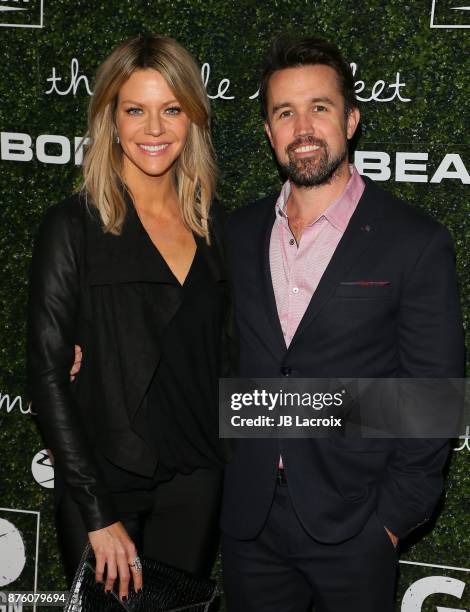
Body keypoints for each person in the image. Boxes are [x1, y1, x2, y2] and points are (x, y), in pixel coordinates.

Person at [220, 35, 465, 612]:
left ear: (351, 119)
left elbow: (432, 394)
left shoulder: (414, 241)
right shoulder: (238, 232)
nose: (302, 128)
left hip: (356, 523)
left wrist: (391, 519)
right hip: (249, 521)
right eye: (285, 112)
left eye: (319, 108)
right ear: (268, 131)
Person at [27, 33, 233, 601]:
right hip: (105, 480)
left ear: (192, 119)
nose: (154, 129)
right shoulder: (72, 227)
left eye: (171, 110)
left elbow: (225, 354)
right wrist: (95, 512)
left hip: (196, 480)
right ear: (110, 120)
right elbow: (47, 376)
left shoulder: (215, 228)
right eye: (135, 110)